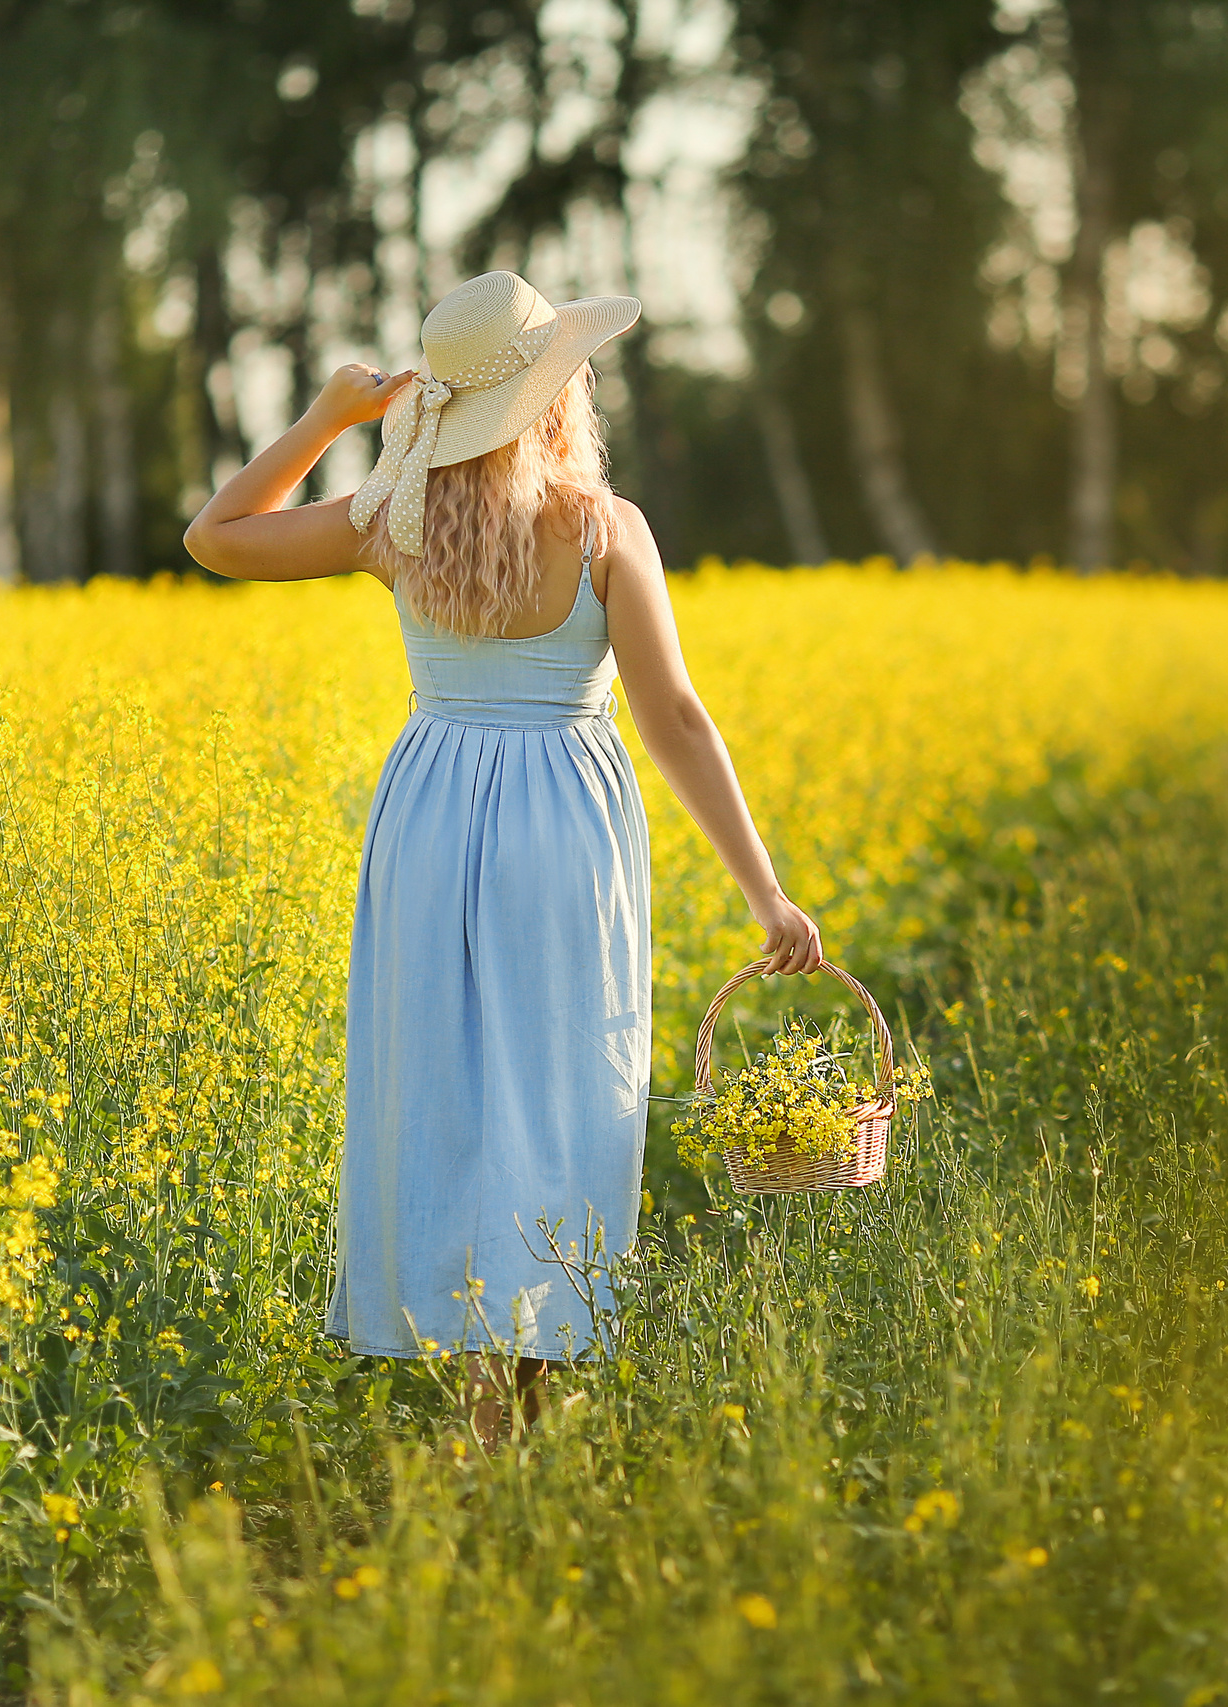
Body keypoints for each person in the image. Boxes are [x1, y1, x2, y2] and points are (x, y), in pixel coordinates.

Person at [183, 271, 823, 1446]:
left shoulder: (391, 520)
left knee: (449, 1096)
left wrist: (330, 420)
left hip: (430, 815)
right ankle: (528, 1389)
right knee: (563, 1089)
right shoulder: (602, 530)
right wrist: (764, 891)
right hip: (563, 824)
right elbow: (675, 716)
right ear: (554, 396)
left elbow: (214, 538)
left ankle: (485, 1400)